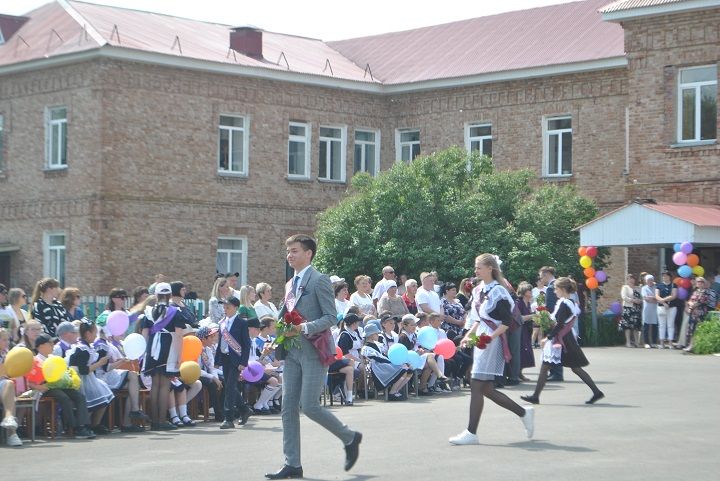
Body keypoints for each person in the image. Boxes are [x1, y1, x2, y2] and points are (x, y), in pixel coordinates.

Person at [265, 234, 361, 480]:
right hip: (293, 351)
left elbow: (331, 317)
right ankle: (292, 463)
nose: (290, 255)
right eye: (288, 251)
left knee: (309, 406)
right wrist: (276, 335)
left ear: (308, 254)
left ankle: (349, 437)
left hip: (315, 351)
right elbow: (285, 314)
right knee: (288, 408)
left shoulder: (319, 281)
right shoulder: (290, 283)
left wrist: (305, 327)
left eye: (294, 251)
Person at [449, 254, 534, 445]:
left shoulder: (499, 291)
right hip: (482, 338)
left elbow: (506, 322)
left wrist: (489, 337)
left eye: (479, 267)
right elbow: (479, 319)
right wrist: (468, 335)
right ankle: (523, 412)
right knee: (485, 387)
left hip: (493, 340)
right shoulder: (478, 289)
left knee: (477, 382)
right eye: (476, 267)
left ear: (490, 268)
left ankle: (471, 432)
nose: (476, 270)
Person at [521, 277, 604, 405]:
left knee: (569, 367)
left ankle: (535, 396)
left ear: (563, 289)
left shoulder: (565, 303)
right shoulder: (567, 302)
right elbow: (560, 322)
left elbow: (559, 325)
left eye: (556, 289)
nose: (554, 291)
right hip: (566, 338)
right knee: (566, 367)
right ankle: (536, 396)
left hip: (563, 339)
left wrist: (547, 337)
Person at [32, 333, 96, 439]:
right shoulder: (36, 360)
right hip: (45, 387)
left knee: (79, 396)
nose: (53, 345)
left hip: (60, 385)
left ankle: (83, 425)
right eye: (50, 343)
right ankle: (73, 427)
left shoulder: (54, 358)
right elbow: (33, 379)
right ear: (41, 346)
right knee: (63, 397)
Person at [141, 282, 185, 430]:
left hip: (152, 349)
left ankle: (154, 421)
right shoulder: (175, 311)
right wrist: (179, 356)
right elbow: (179, 336)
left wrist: (144, 354)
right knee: (165, 385)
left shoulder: (148, 311)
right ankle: (161, 420)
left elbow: (145, 334)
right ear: (170, 295)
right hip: (168, 347)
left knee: (155, 385)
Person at [67, 320, 115, 434]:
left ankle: (94, 424)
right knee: (91, 401)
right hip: (80, 379)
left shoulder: (87, 346)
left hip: (89, 378)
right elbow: (83, 370)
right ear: (88, 334)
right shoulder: (82, 349)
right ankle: (84, 425)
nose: (96, 336)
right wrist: (99, 363)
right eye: (94, 333)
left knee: (103, 398)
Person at [215, 296, 253, 429]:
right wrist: (217, 360)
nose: (225, 310)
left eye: (228, 307)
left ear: (235, 308)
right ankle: (244, 409)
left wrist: (244, 362)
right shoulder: (222, 323)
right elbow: (221, 343)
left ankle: (228, 418)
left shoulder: (241, 323)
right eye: (224, 307)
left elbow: (246, 344)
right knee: (230, 386)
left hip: (236, 360)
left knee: (230, 387)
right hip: (225, 358)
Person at [361, 323, 412, 401]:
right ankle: (392, 392)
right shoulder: (366, 348)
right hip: (377, 367)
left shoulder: (378, 344)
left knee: (409, 371)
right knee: (403, 371)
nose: (378, 335)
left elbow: (384, 355)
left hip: (384, 364)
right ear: (371, 335)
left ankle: (397, 390)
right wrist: (391, 362)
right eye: (376, 334)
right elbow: (377, 359)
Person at [0, 328, 23, 446]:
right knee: (9, 390)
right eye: (4, 340)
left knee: (9, 384)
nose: (7, 342)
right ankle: (12, 434)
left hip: (3, 386)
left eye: (8, 339)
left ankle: (10, 427)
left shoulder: (7, 354)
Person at [197, 325, 224, 422]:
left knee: (224, 381)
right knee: (212, 383)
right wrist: (213, 378)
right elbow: (197, 369)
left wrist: (216, 378)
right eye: (211, 337)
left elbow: (211, 367)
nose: (213, 339)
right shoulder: (196, 349)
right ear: (204, 339)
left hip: (207, 374)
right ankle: (218, 413)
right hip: (197, 375)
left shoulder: (207, 350)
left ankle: (223, 409)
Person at [683, 277, 716, 352]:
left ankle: (694, 346)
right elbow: (690, 300)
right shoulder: (695, 291)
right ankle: (690, 345)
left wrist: (692, 306)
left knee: (697, 329)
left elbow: (702, 301)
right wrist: (690, 305)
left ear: (703, 283)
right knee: (691, 329)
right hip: (693, 312)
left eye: (701, 282)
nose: (699, 283)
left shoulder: (706, 292)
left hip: (700, 312)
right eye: (698, 282)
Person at [515, 282, 536, 381]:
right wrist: (533, 316)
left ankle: (520, 372)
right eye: (529, 290)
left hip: (526, 330)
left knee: (526, 351)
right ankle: (517, 373)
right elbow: (519, 318)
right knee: (522, 351)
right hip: (519, 330)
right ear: (524, 292)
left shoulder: (528, 302)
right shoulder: (518, 302)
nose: (531, 292)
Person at [655, 271, 677, 349]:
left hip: (672, 307)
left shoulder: (674, 285)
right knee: (661, 325)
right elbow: (657, 296)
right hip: (661, 307)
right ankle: (662, 343)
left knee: (670, 325)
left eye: (666, 276)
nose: (664, 277)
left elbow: (674, 295)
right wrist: (664, 303)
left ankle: (670, 343)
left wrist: (663, 300)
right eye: (663, 276)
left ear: (669, 277)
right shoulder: (659, 285)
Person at [620, 274, 643, 348]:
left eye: (632, 278)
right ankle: (628, 342)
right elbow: (624, 297)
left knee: (636, 326)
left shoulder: (638, 288)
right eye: (629, 279)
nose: (631, 280)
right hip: (628, 308)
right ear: (627, 280)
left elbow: (642, 297)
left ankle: (637, 342)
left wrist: (640, 301)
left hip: (637, 309)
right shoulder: (625, 287)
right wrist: (633, 300)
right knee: (627, 326)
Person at [641, 275, 658, 348]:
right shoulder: (644, 288)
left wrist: (653, 298)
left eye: (651, 280)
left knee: (655, 326)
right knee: (646, 326)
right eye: (648, 280)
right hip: (647, 309)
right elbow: (645, 298)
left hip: (655, 309)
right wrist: (654, 298)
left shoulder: (656, 288)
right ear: (646, 281)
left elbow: (657, 298)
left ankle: (654, 342)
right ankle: (646, 343)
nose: (650, 281)